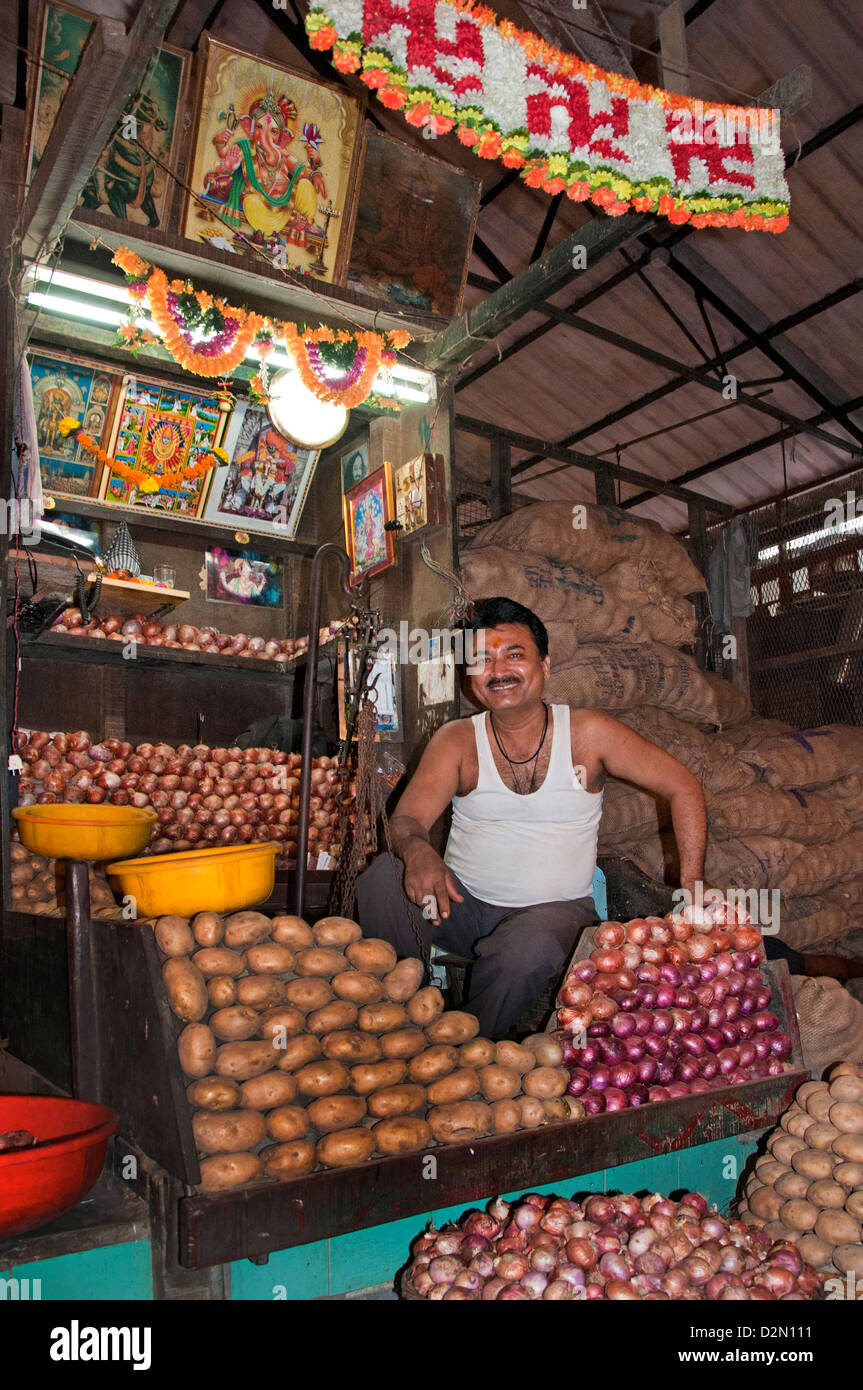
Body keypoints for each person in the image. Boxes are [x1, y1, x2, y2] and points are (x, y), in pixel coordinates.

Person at [355, 596, 707, 1039]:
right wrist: (418, 849)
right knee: (384, 878)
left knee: (527, 946)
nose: (498, 671)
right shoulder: (457, 741)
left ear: (545, 664)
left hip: (553, 914)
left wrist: (691, 885)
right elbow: (406, 818)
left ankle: (466, 1049)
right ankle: (403, 1019)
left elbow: (683, 786)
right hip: (462, 906)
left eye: (514, 655)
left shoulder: (589, 733)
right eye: (482, 659)